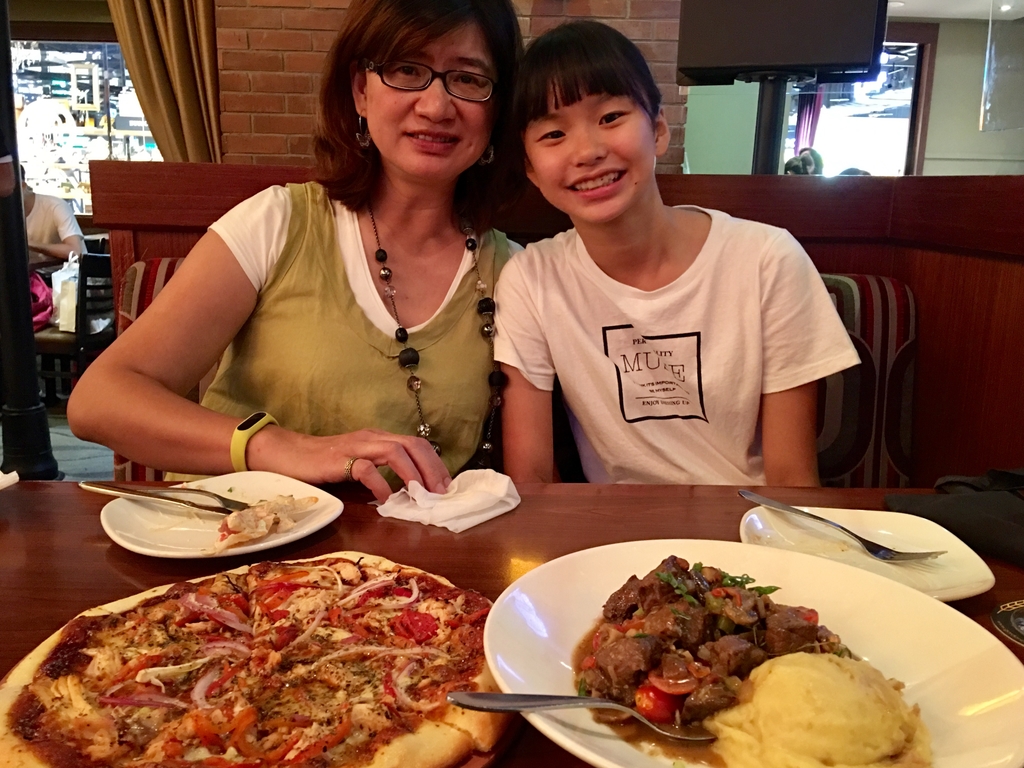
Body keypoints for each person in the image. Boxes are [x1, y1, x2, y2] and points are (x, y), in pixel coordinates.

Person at [68, 0, 522, 502]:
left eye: (468, 79)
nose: (436, 107)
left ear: (496, 110)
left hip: (411, 549)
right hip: (232, 539)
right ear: (360, 90)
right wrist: (279, 446)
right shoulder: (278, 222)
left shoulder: (513, 273)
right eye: (407, 70)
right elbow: (99, 400)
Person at [494, 21, 860, 487]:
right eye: (552, 135)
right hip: (612, 528)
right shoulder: (531, 279)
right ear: (530, 168)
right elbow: (531, 478)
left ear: (659, 130)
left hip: (748, 520)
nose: (587, 152)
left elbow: (792, 477)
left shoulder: (767, 260)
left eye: (610, 117)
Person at [22, 171, 86, 263]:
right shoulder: (6, 213)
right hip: (31, 271)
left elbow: (75, 251)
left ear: (22, 186)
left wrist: (28, 243)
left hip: (66, 270)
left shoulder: (56, 206)